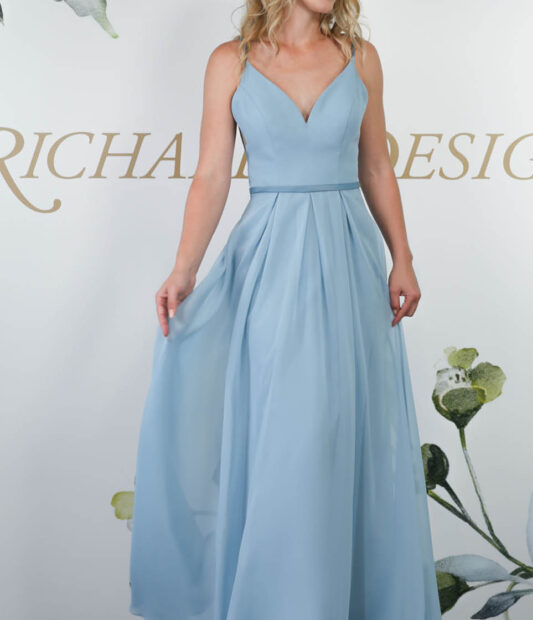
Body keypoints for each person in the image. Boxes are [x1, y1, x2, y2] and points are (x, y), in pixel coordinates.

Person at [129, 1, 442, 618]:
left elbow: (376, 164)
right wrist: (184, 268)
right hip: (269, 263)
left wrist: (402, 256)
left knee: (338, 433)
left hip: (349, 259)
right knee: (287, 436)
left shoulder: (360, 58)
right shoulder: (231, 62)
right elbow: (212, 174)